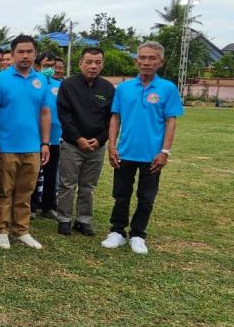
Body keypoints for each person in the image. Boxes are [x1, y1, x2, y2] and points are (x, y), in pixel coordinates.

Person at [102, 41, 183, 254]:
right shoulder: (124, 88)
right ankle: (117, 232)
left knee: (146, 197)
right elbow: (115, 118)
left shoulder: (167, 88)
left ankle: (138, 234)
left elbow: (171, 121)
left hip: (152, 155)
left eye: (152, 58)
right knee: (121, 194)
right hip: (125, 152)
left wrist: (165, 151)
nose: (146, 62)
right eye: (143, 58)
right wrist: (112, 146)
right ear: (136, 61)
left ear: (160, 62)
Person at [0, 35, 51, 250]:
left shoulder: (41, 81)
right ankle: (2, 230)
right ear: (12, 55)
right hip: (6, 146)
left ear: (35, 54)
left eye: (29, 51)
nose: (25, 56)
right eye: (20, 52)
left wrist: (45, 143)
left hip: (32, 146)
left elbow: (45, 112)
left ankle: (21, 229)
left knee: (25, 191)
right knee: (4, 190)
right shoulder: (0, 79)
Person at [56, 47, 115, 236]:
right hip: (72, 145)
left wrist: (100, 140)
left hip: (97, 147)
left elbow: (111, 119)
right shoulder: (68, 85)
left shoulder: (107, 88)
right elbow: (64, 115)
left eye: (98, 62)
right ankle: (64, 219)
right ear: (80, 63)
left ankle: (83, 220)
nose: (93, 66)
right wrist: (78, 138)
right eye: (89, 62)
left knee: (88, 186)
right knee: (67, 184)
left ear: (102, 65)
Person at [31, 52, 63, 221]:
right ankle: (31, 206)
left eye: (52, 66)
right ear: (37, 66)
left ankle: (48, 206)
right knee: (33, 172)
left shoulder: (59, 85)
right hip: (35, 136)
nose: (50, 69)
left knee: (51, 172)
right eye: (46, 65)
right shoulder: (33, 82)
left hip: (55, 136)